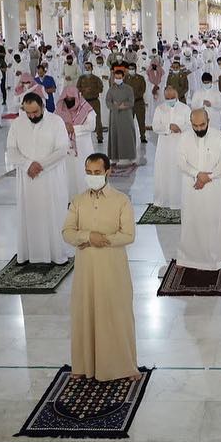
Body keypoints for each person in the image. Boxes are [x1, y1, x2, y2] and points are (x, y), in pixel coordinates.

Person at [62, 153, 139, 381]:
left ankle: (123, 366)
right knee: (85, 312)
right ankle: (83, 365)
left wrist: (102, 240)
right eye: (88, 172)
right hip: (86, 271)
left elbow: (128, 235)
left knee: (115, 313)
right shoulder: (78, 201)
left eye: (97, 172)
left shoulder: (121, 200)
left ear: (108, 172)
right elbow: (67, 232)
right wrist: (88, 236)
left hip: (112, 269)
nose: (92, 177)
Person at [5, 94, 71, 263]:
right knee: (30, 216)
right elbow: (11, 150)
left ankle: (56, 255)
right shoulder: (18, 124)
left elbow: (63, 149)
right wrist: (28, 164)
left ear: (42, 106)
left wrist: (40, 165)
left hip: (51, 177)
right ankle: (29, 254)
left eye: (35, 112)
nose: (32, 116)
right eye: (28, 113)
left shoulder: (56, 122)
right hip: (27, 180)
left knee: (53, 214)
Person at [175, 108, 221, 271]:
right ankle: (186, 259)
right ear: (190, 123)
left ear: (209, 121)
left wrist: (209, 176)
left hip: (215, 186)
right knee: (190, 220)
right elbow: (180, 161)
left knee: (217, 220)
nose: (199, 129)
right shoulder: (185, 137)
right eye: (195, 125)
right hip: (191, 185)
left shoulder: (219, 136)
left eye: (202, 125)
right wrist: (197, 174)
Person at [150, 87, 190, 208]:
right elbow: (155, 126)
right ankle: (164, 199)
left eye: (172, 98)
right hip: (164, 146)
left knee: (179, 171)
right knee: (164, 170)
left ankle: (179, 200)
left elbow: (190, 124)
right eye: (167, 98)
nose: (170, 100)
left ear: (177, 96)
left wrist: (180, 128)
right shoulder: (160, 108)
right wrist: (168, 127)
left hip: (180, 144)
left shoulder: (185, 108)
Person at [104, 65, 138, 166]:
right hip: (115, 116)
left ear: (123, 77)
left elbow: (131, 101)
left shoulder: (128, 89)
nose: (117, 79)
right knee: (114, 135)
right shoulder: (111, 90)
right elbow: (107, 102)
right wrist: (115, 106)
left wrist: (124, 105)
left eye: (119, 78)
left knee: (128, 135)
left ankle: (131, 157)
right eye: (116, 78)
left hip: (126, 116)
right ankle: (114, 158)